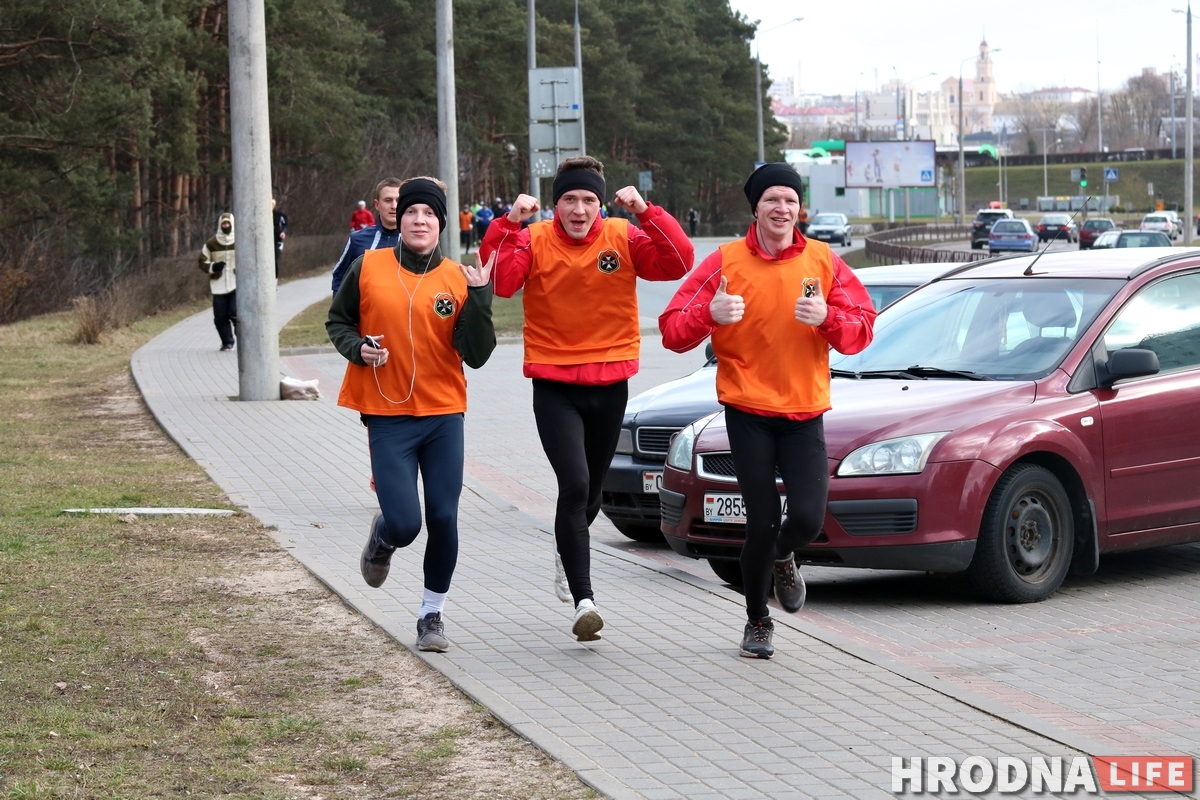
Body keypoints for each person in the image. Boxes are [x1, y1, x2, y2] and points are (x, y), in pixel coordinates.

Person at [659, 163, 877, 660]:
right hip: (747, 409)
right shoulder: (725, 261)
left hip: (804, 411)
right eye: (772, 200)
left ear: (801, 208)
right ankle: (757, 620)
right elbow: (672, 328)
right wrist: (707, 316)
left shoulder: (823, 260)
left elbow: (863, 326)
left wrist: (828, 318)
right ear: (755, 207)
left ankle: (784, 555)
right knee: (759, 521)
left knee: (805, 517)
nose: (782, 209)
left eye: (790, 200)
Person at [479, 155, 694, 642]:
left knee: (591, 493)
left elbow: (678, 262)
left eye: (589, 200)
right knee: (574, 485)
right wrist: (509, 224)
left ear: (601, 204)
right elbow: (503, 282)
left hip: (609, 383)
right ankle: (583, 600)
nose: (580, 210)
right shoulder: (534, 239)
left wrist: (646, 211)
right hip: (555, 385)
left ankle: (565, 544)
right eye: (570, 200)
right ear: (556, 204)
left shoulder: (623, 235)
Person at [326, 176, 497, 653]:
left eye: (429, 214)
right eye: (411, 212)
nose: (420, 220)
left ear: (441, 223)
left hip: (444, 414)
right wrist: (359, 349)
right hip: (388, 415)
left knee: (443, 515)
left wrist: (481, 296)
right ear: (398, 219)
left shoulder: (456, 280)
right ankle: (382, 537)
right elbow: (337, 322)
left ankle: (431, 614)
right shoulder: (368, 266)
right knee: (405, 523)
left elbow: (478, 354)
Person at [331, 178, 401, 296]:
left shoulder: (416, 241)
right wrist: (339, 311)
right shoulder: (356, 239)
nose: (394, 206)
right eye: (388, 200)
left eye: (399, 200)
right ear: (377, 204)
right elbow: (340, 275)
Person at [198, 212, 238, 351]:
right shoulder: (212, 243)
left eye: (228, 223)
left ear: (232, 224)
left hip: (237, 284)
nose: (226, 226)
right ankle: (227, 342)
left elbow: (250, 258)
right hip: (218, 285)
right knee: (220, 317)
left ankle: (245, 338)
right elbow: (202, 262)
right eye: (224, 224)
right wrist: (214, 267)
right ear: (220, 225)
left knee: (235, 313)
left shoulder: (240, 240)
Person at [272, 197, 288, 278]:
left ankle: (275, 281)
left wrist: (283, 232)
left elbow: (285, 225)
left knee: (274, 260)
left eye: (272, 204)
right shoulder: (262, 216)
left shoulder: (280, 215)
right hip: (267, 243)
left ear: (274, 205)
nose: (271, 206)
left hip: (278, 242)